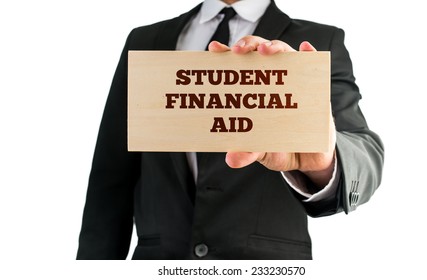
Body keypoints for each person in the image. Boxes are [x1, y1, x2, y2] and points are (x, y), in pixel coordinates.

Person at [77, 0, 384, 260]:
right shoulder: (145, 40)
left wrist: (325, 163)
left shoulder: (319, 41)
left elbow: (363, 153)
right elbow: (111, 178)